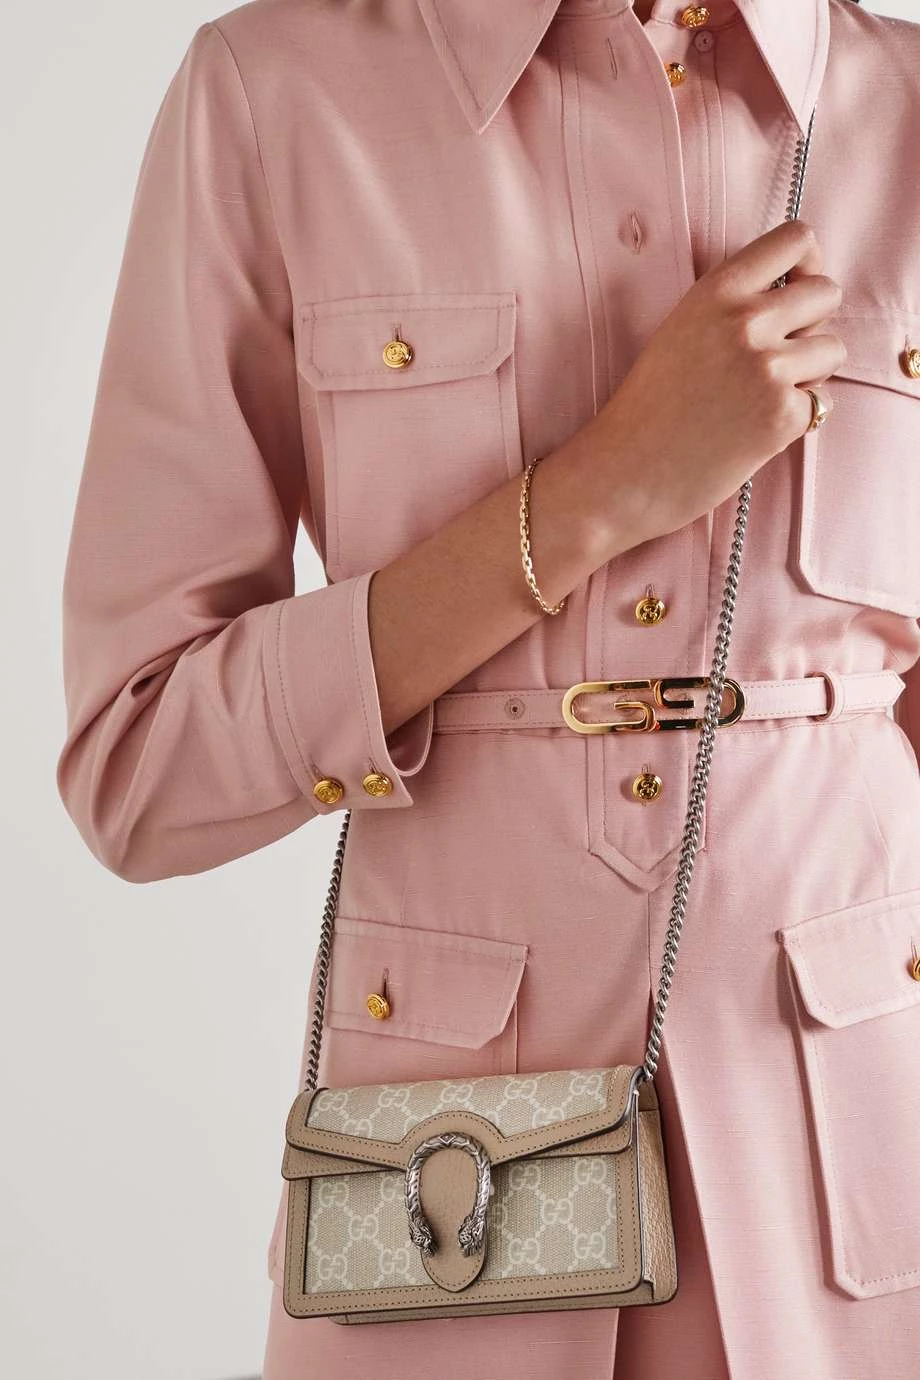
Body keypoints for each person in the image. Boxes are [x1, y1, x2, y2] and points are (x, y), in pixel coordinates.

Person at [57, 0, 920, 1376]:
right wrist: (595, 497)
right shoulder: (275, 95)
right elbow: (138, 766)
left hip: (869, 1190)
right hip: (446, 1211)